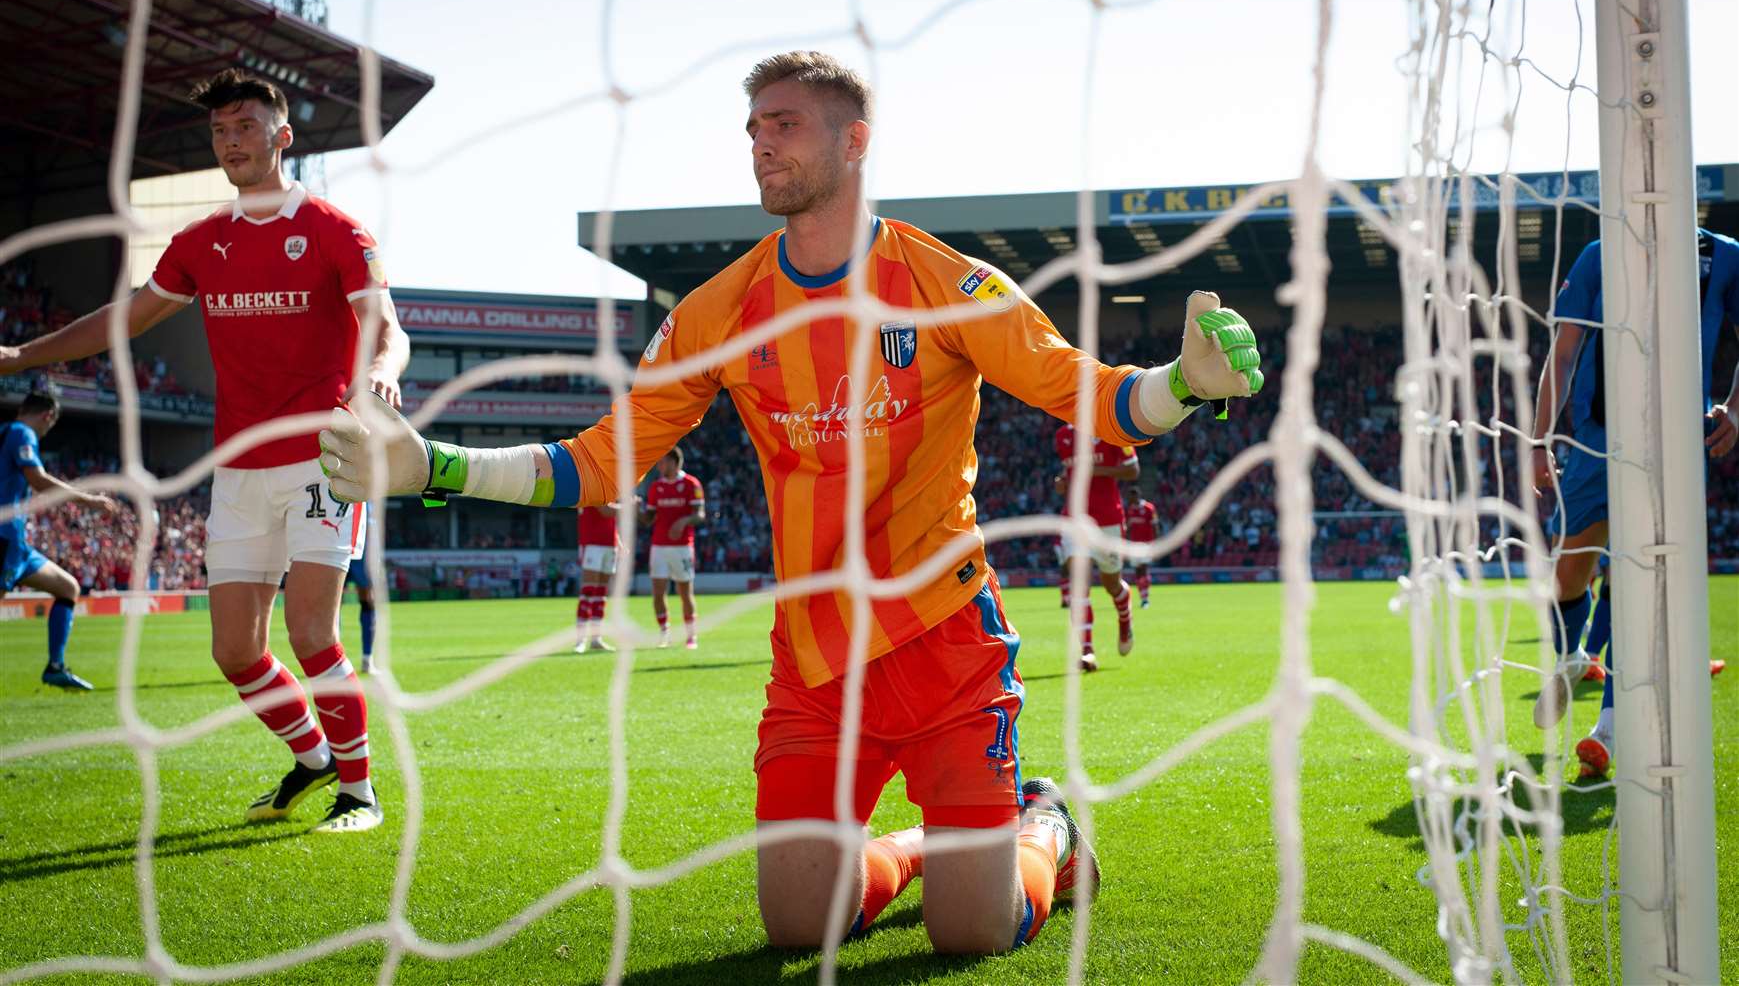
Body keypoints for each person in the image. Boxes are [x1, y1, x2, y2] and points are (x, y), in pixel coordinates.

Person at [319, 50, 1263, 954]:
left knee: (969, 934)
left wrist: (1181, 383)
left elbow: (1088, 394)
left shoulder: (946, 285)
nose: (762, 144)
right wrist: (433, 466)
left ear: (854, 142)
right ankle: (933, 850)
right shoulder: (715, 311)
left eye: (785, 125)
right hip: (814, 661)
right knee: (798, 928)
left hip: (944, 646)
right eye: (752, 128)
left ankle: (1045, 824)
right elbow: (599, 465)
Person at [0, 68, 411, 833]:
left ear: (281, 136)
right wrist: (24, 354)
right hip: (238, 469)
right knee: (234, 651)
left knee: (312, 632)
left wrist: (382, 375)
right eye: (220, 131)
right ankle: (315, 762)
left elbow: (386, 326)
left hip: (323, 456)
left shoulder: (334, 229)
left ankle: (361, 793)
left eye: (246, 127)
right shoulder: (200, 241)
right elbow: (126, 317)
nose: (231, 142)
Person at [1532, 227, 1738, 778]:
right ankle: (1572, 655)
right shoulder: (1600, 253)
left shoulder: (1725, 259)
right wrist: (1537, 439)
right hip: (1595, 441)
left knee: (1635, 580)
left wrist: (1734, 409)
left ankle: (1608, 729)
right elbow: (1566, 350)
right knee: (1567, 580)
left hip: (1672, 447)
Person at [0, 391, 116, 690]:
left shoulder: (5, 432)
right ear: (48, 416)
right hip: (4, 536)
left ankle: (55, 667)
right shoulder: (21, 431)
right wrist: (87, 499)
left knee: (68, 588)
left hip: (18, 544)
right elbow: (38, 479)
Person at [1052, 426, 1138, 671]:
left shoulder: (1112, 428)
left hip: (1108, 520)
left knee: (1112, 584)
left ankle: (1124, 614)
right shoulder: (1062, 435)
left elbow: (1133, 470)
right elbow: (1069, 470)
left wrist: (1097, 470)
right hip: (1075, 518)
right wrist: (1062, 482)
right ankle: (1087, 651)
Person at [641, 449, 704, 649]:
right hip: (659, 546)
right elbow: (648, 520)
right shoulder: (655, 487)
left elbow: (700, 515)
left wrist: (684, 520)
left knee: (685, 592)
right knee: (658, 592)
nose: (659, 466)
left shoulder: (691, 484)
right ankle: (664, 633)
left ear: (674, 462)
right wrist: (636, 511)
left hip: (683, 547)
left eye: (662, 462)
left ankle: (691, 636)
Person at [575, 497, 631, 652]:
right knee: (588, 591)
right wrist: (629, 505)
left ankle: (596, 638)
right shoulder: (594, 489)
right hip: (592, 542)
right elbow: (606, 511)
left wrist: (618, 542)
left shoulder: (608, 492)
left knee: (601, 593)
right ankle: (580, 639)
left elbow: (610, 519)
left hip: (608, 544)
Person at [345, 506, 380, 674]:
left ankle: (368, 658)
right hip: (339, 528)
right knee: (331, 601)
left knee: (369, 599)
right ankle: (334, 660)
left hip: (364, 532)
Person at [1122, 493, 1160, 609]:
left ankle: (1145, 598)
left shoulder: (1149, 508)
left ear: (1136, 496)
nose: (1129, 499)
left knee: (1143, 569)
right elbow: (1128, 529)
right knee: (1138, 571)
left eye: (1131, 497)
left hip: (1146, 544)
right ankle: (1142, 596)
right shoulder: (1130, 510)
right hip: (1134, 545)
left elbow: (1155, 526)